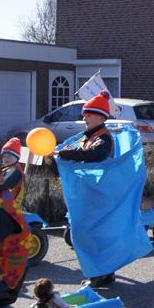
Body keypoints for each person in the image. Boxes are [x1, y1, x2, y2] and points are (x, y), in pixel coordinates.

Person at [56, 92, 117, 287]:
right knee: (96, 235)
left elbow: (95, 154)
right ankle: (105, 272)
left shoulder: (103, 138)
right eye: (84, 114)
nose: (84, 118)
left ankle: (98, 274)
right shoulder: (91, 136)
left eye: (88, 114)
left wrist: (65, 154)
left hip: (97, 194)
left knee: (91, 235)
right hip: (91, 193)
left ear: (100, 117)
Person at [0, 143, 30, 302]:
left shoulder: (2, 210)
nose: (7, 158)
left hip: (4, 280)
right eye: (5, 155)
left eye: (10, 155)